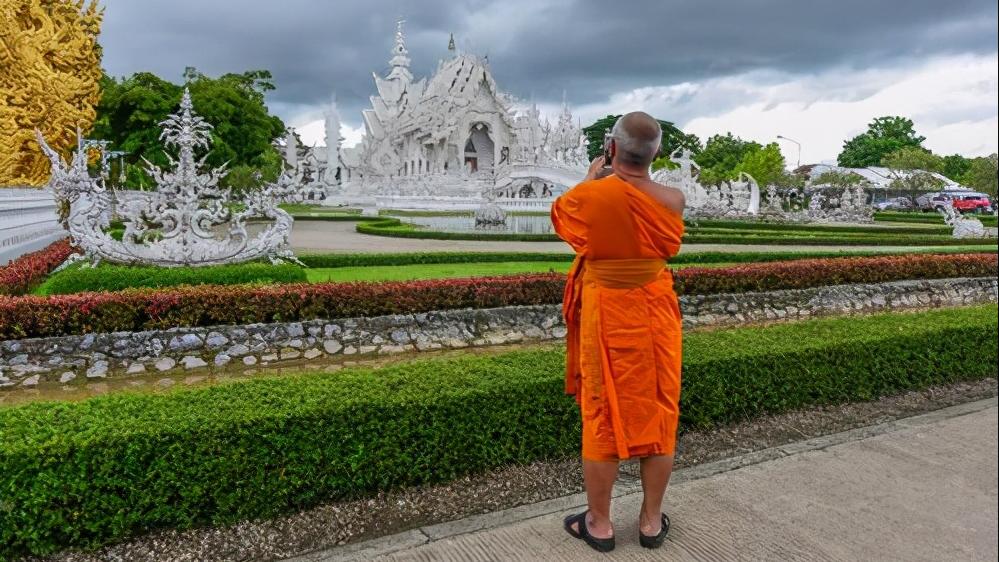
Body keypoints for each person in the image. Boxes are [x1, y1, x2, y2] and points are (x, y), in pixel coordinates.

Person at [551, 112, 685, 552]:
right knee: (660, 410)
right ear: (657, 153)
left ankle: (600, 523)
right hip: (654, 314)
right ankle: (649, 523)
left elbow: (564, 220)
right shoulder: (673, 199)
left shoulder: (591, 196)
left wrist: (591, 180)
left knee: (602, 412)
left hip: (606, 312)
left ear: (611, 149)